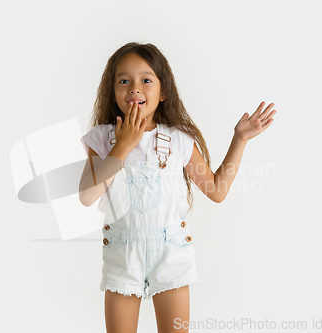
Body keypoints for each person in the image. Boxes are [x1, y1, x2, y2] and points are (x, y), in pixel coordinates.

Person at [79, 42, 277, 333]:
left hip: (171, 254)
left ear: (163, 92)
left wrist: (240, 140)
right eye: (124, 81)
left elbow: (216, 190)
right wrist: (121, 147)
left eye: (146, 80)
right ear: (113, 92)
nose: (135, 88)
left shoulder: (178, 140)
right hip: (123, 255)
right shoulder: (102, 138)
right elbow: (86, 196)